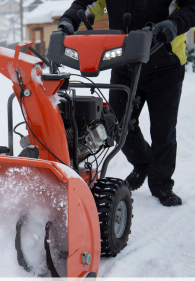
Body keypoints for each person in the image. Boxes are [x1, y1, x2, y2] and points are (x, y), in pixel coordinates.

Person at [58, 0, 195, 206]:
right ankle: (142, 163)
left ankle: (161, 185)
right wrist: (69, 19)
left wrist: (174, 23)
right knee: (118, 124)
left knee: (163, 129)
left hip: (166, 63)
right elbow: (86, 3)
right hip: (124, 60)